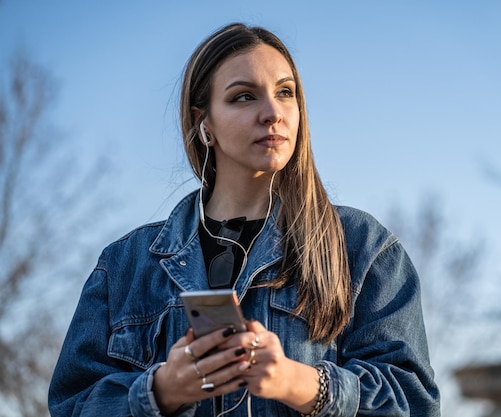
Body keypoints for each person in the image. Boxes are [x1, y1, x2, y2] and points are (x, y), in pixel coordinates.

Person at [48, 23, 441, 417]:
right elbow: (70, 405)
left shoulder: (364, 248)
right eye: (244, 97)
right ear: (205, 124)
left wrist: (297, 383)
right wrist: (162, 391)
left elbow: (415, 403)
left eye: (285, 93)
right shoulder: (124, 267)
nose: (272, 113)